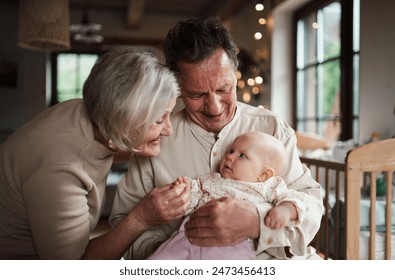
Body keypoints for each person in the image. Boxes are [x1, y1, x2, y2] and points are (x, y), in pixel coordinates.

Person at [109, 16, 324, 260]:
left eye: (224, 89)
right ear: (178, 87)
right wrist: (181, 251)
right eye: (196, 94)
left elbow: (310, 209)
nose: (214, 107)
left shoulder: (272, 128)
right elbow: (123, 223)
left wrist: (257, 222)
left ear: (235, 75)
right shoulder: (156, 137)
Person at [0, 48, 190, 259]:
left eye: (169, 115)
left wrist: (133, 144)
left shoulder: (85, 111)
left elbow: (98, 150)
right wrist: (142, 217)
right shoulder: (60, 173)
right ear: (126, 122)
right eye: (158, 121)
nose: (168, 129)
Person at [148, 131, 306, 259]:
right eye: (231, 151)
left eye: (242, 155)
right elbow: (191, 198)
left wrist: (285, 210)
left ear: (264, 174)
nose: (230, 156)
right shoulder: (212, 180)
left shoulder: (268, 186)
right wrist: (183, 189)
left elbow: (294, 198)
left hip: (232, 246)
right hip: (188, 235)